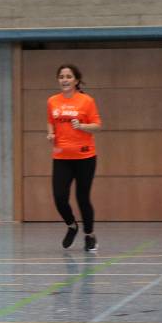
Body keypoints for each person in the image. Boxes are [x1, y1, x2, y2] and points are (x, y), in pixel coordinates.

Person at [47, 64, 101, 252]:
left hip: (85, 156)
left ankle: (89, 235)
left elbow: (97, 125)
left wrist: (82, 126)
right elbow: (51, 122)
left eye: (69, 76)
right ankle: (71, 225)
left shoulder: (87, 101)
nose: (65, 80)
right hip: (61, 157)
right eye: (61, 77)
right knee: (59, 197)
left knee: (82, 197)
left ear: (76, 80)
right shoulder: (52, 101)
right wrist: (51, 134)